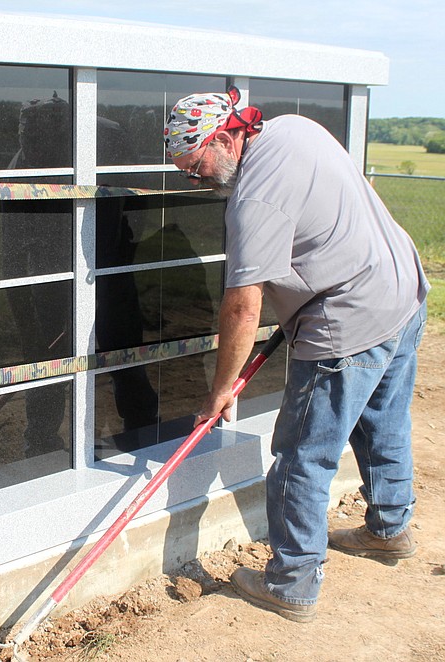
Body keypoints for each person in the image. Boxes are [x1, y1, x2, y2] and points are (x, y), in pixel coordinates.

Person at [164, 86, 429, 622]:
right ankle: (389, 529)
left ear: (228, 136)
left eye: (196, 165)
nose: (195, 179)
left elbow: (242, 307)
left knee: (301, 455)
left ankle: (292, 584)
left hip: (347, 323)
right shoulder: (292, 129)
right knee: (384, 421)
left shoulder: (253, 200)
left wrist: (220, 390)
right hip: (401, 291)